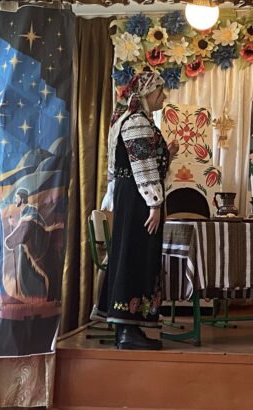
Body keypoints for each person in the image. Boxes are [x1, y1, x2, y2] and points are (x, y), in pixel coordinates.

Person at [98, 70, 179, 350]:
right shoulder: (137, 122)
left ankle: (127, 325)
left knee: (130, 253)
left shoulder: (129, 119)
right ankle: (127, 329)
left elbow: (136, 164)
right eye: (160, 91)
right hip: (138, 199)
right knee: (135, 255)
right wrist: (155, 203)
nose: (163, 96)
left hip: (131, 195)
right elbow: (143, 167)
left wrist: (168, 154)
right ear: (147, 93)